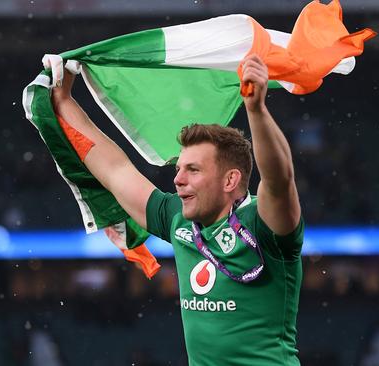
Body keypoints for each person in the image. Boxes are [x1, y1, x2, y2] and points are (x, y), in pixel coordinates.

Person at [51, 54, 304, 365]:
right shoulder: (178, 221)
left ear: (230, 179)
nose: (178, 179)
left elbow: (280, 179)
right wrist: (64, 102)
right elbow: (115, 170)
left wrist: (256, 110)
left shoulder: (265, 226)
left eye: (193, 170)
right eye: (179, 168)